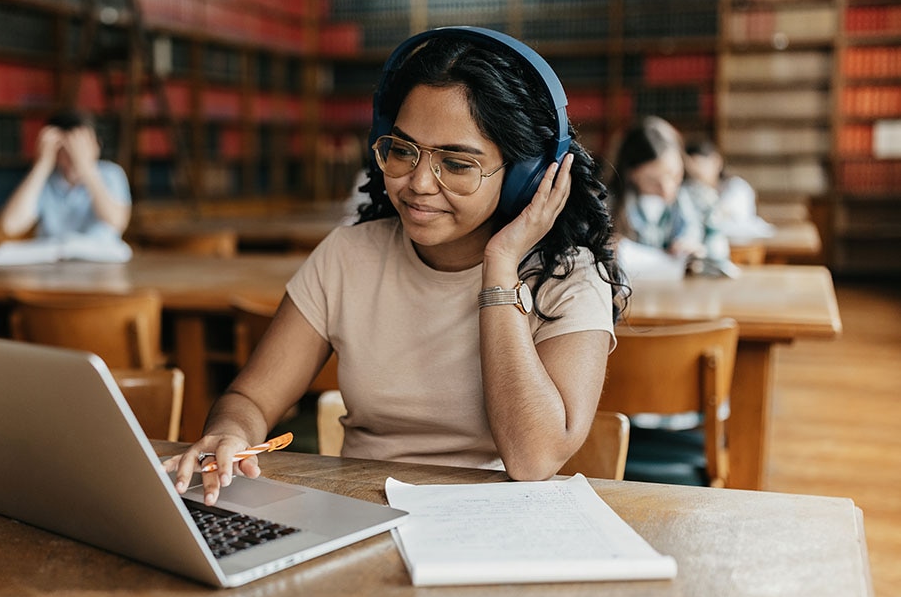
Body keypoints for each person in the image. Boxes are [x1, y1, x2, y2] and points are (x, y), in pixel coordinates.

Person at [166, 27, 628, 505]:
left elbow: (534, 458)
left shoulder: (569, 278)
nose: (418, 183)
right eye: (403, 151)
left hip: (500, 527)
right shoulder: (348, 256)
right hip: (362, 514)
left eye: (457, 163)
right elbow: (251, 399)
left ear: (525, 176)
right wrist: (230, 432)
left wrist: (501, 265)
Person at [0, 110, 132, 251]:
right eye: (64, 148)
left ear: (97, 145)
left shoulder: (111, 174)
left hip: (101, 264)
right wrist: (42, 164)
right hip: (52, 265)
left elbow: (117, 221)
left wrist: (87, 169)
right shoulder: (44, 180)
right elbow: (10, 226)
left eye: (79, 146)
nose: (72, 154)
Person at [606, 116, 730, 267]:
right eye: (652, 181)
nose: (666, 190)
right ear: (631, 175)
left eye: (673, 175)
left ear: (682, 162)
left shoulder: (702, 200)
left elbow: (719, 252)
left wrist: (701, 253)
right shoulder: (607, 207)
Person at [683, 137, 773, 240]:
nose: (695, 171)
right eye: (690, 167)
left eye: (699, 164)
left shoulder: (736, 187)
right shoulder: (688, 189)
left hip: (741, 246)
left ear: (716, 161)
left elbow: (720, 214)